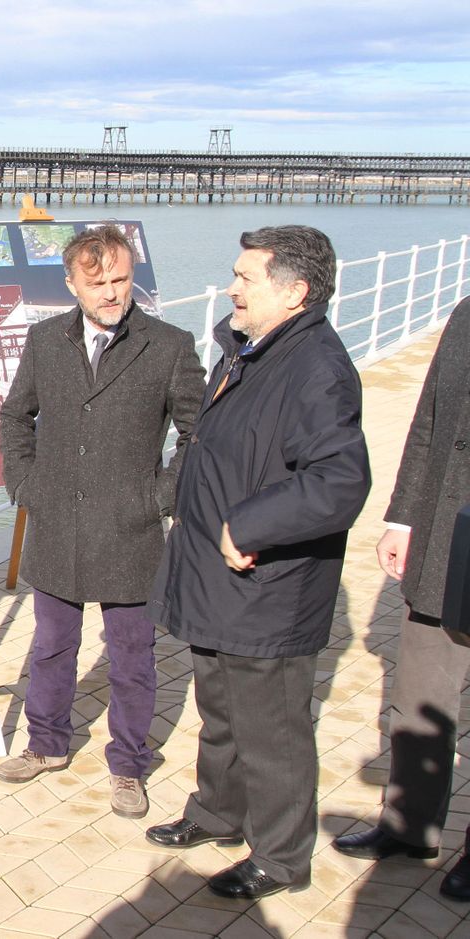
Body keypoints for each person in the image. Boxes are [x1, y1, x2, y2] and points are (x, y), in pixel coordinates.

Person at [145, 226, 371, 900]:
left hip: (267, 584)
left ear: (295, 292)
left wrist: (249, 524)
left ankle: (280, 856)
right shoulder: (249, 350)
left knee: (271, 728)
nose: (233, 287)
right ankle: (218, 812)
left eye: (247, 277)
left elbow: (338, 481)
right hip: (220, 581)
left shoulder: (315, 368)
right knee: (220, 707)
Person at [0, 225, 205, 818]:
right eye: (97, 284)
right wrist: (26, 485)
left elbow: (197, 433)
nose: (111, 294)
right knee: (52, 645)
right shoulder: (43, 341)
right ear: (71, 285)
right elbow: (16, 417)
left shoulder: (168, 345)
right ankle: (45, 744)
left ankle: (129, 766)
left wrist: (160, 496)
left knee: (133, 655)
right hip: (57, 518)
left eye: (120, 280)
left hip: (131, 526)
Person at [332, 297, 470, 898]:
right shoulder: (466, 313)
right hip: (445, 540)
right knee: (420, 691)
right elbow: (430, 422)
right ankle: (410, 826)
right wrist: (405, 521)